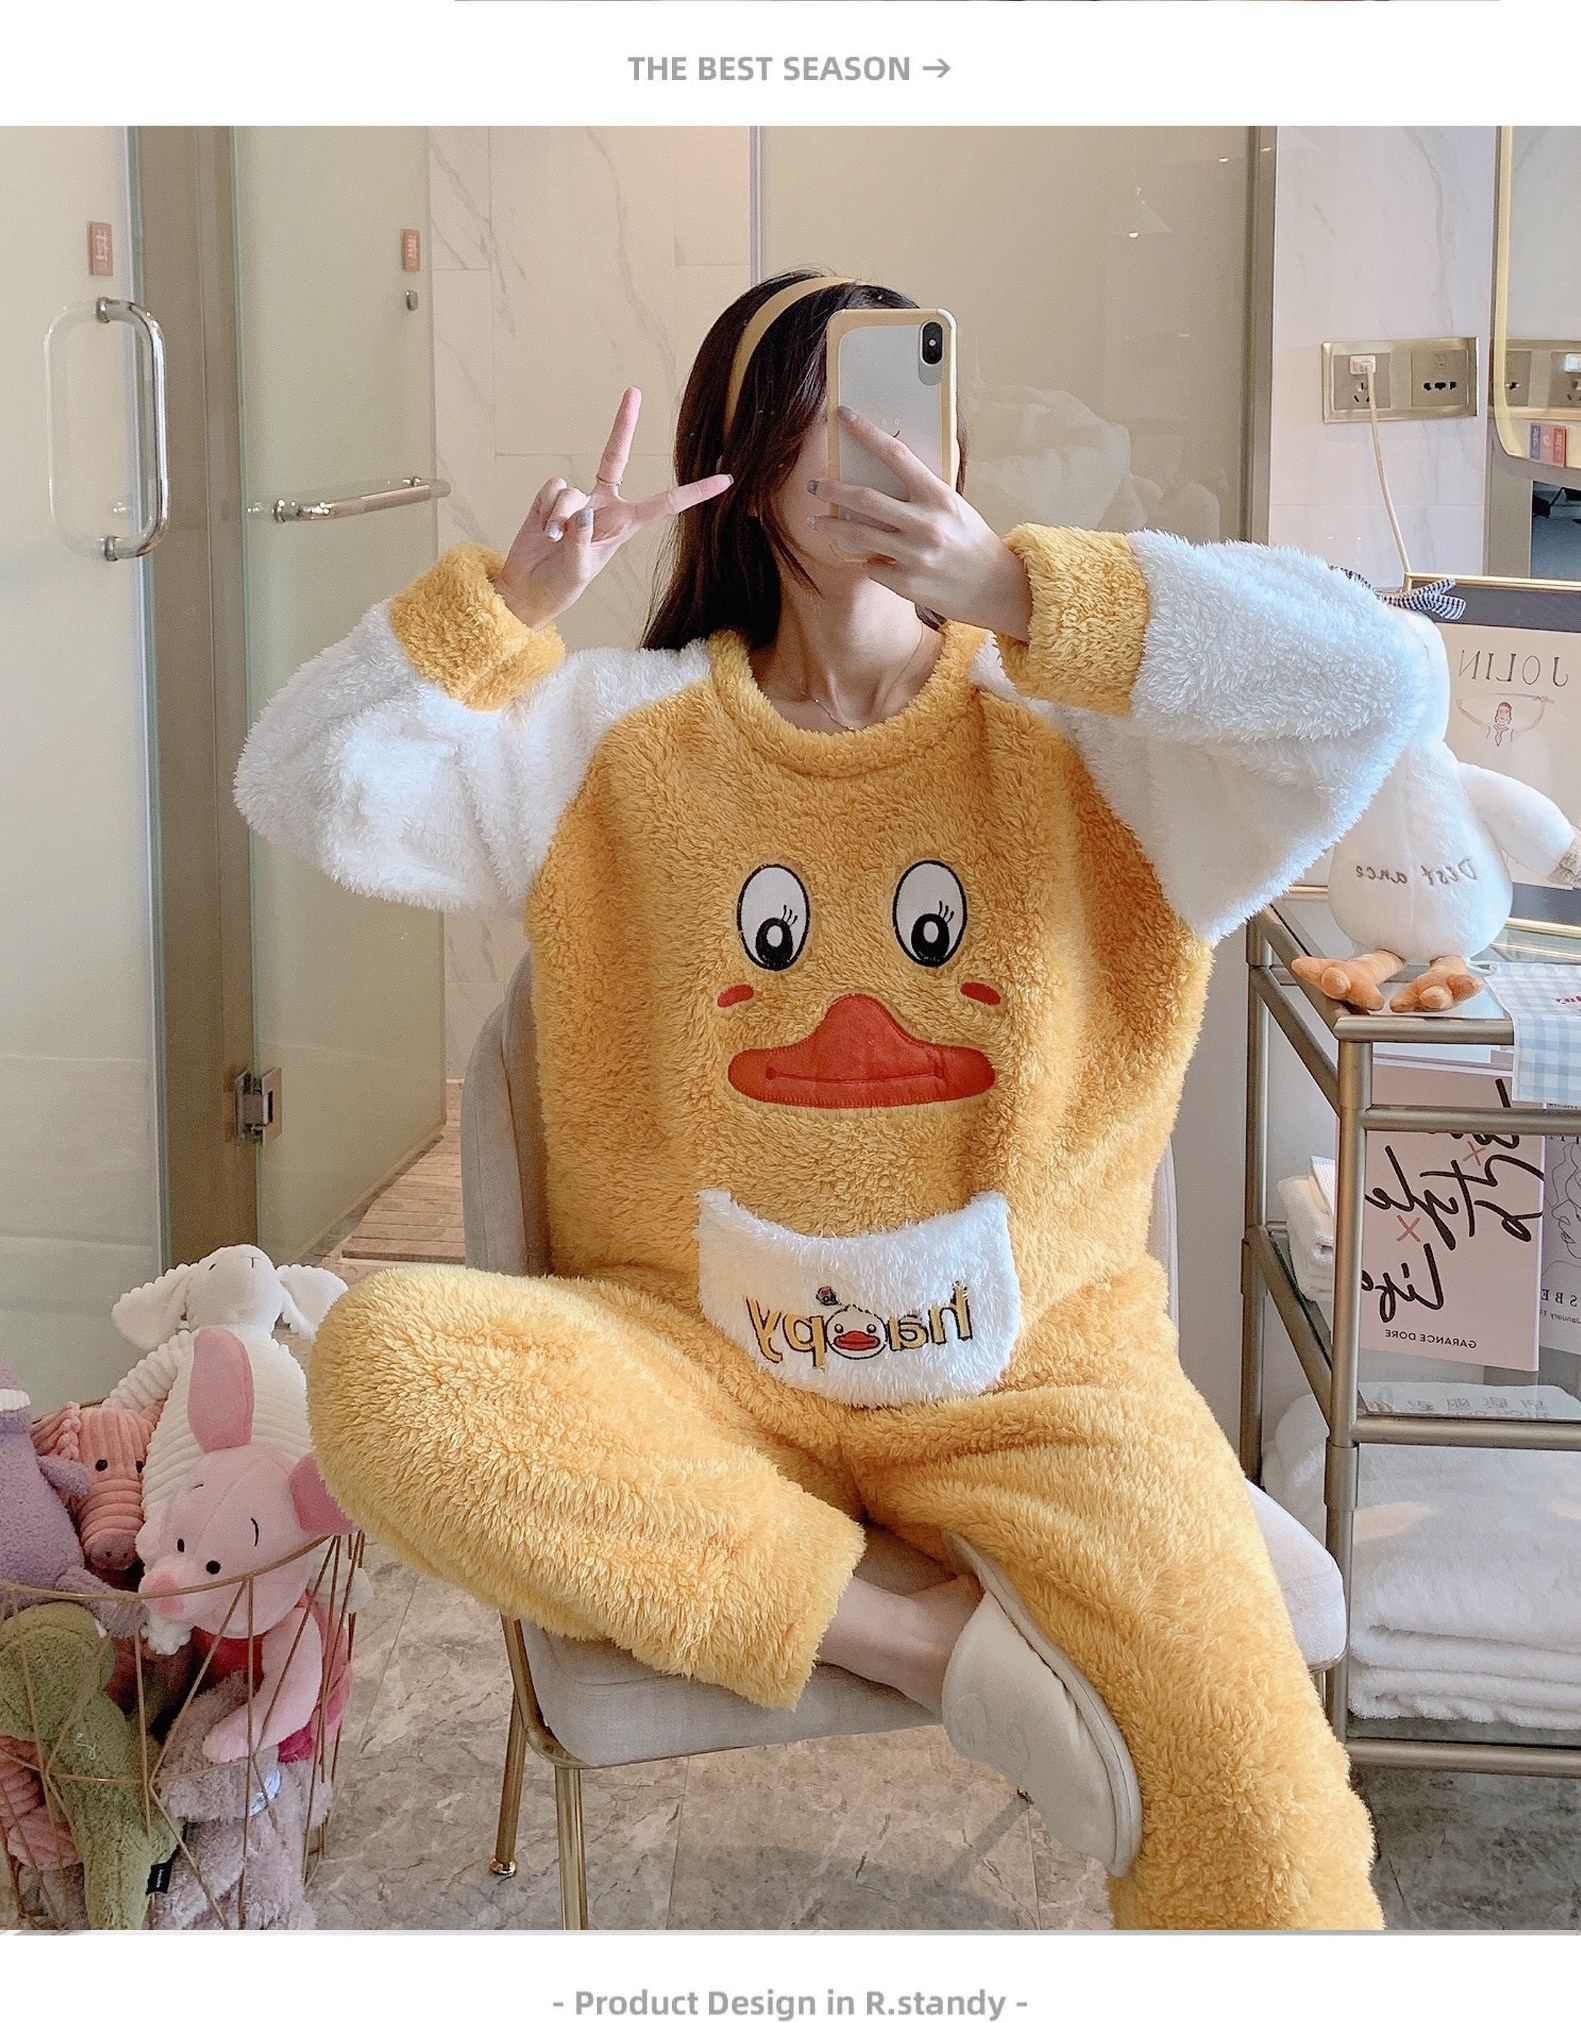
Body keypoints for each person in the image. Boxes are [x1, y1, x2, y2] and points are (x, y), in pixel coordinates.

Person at [236, 271, 1433, 1929]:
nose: (865, 449)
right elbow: (297, 782)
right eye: (816, 417)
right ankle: (934, 1647)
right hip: (697, 1369)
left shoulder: (1088, 734)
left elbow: (1381, 684)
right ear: (743, 467)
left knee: (1268, 1837)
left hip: (1042, 1384)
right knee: (382, 1367)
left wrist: (1017, 587)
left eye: (899, 405)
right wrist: (504, 605)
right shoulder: (612, 738)